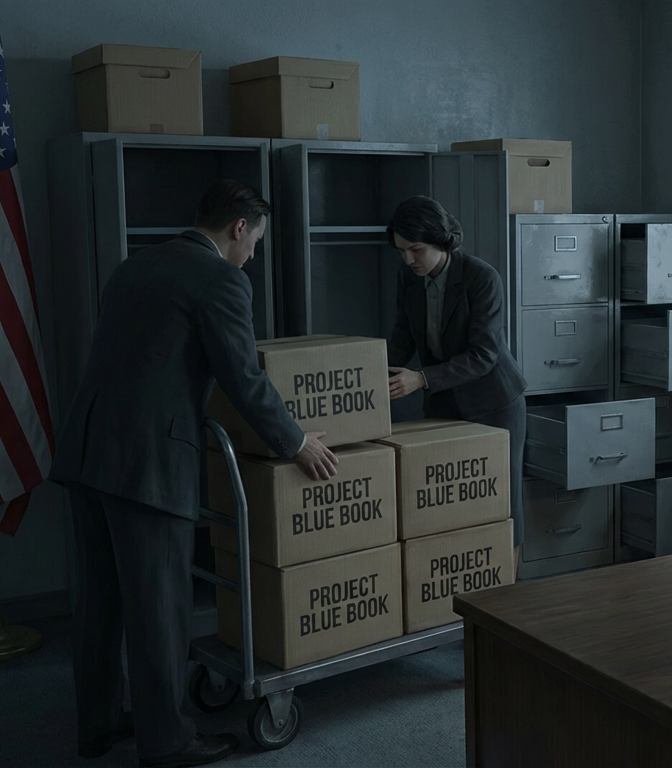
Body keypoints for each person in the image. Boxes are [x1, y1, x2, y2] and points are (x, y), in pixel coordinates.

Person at [50, 180, 339, 767]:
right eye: (255, 241)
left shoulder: (135, 265)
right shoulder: (221, 279)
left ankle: (98, 724)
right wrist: (295, 442)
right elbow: (243, 377)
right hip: (146, 463)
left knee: (100, 601)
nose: (252, 254)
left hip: (88, 450)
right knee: (158, 607)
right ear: (239, 227)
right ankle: (167, 742)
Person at [385, 196, 528, 568]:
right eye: (402, 251)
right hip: (444, 402)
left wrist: (421, 378)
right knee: (449, 501)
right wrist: (369, 373)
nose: (408, 260)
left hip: (495, 403)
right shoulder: (408, 276)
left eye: (416, 250)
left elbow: (484, 354)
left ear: (442, 241)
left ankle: (509, 589)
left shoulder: (482, 278)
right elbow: (403, 336)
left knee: (503, 501)